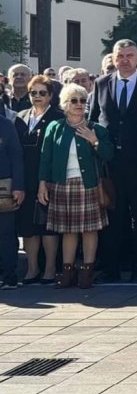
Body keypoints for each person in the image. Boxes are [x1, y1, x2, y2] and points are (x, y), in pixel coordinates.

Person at [88, 39, 137, 283]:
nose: (124, 60)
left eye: (129, 55)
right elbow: (93, 121)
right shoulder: (101, 84)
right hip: (111, 164)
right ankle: (111, 266)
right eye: (120, 55)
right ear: (113, 58)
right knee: (113, 217)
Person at [38, 84, 112, 289]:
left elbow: (109, 155)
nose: (79, 104)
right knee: (68, 230)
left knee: (89, 230)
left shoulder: (96, 128)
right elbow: (46, 158)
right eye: (74, 100)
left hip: (88, 185)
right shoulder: (55, 127)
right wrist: (42, 184)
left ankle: (87, 271)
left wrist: (94, 140)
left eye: (82, 100)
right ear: (64, 104)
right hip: (62, 185)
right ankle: (68, 271)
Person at [14, 76, 63, 285]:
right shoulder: (21, 116)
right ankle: (32, 268)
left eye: (42, 93)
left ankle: (50, 268)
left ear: (51, 95)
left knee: (46, 226)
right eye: (33, 93)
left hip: (48, 179)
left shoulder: (57, 118)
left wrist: (47, 180)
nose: (37, 97)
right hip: (24, 179)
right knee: (27, 226)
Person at [0, 112, 25, 289]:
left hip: (4, 186)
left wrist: (19, 186)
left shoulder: (6, 124)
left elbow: (16, 155)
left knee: (6, 233)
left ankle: (9, 276)